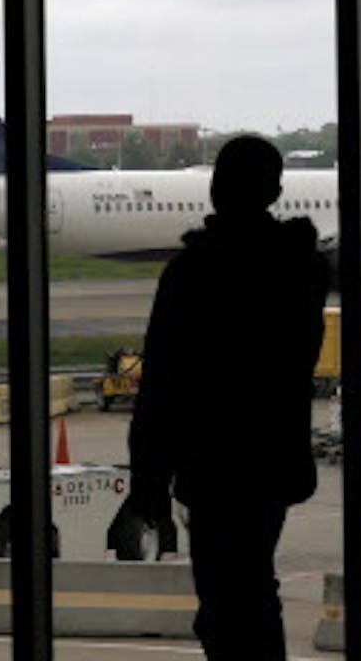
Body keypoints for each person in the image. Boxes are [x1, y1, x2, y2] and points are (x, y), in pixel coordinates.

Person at [128, 135, 328, 661]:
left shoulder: (192, 273)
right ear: (276, 189)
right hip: (273, 457)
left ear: (216, 188)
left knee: (225, 600)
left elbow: (161, 387)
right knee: (253, 590)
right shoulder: (302, 270)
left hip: (211, 461)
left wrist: (148, 479)